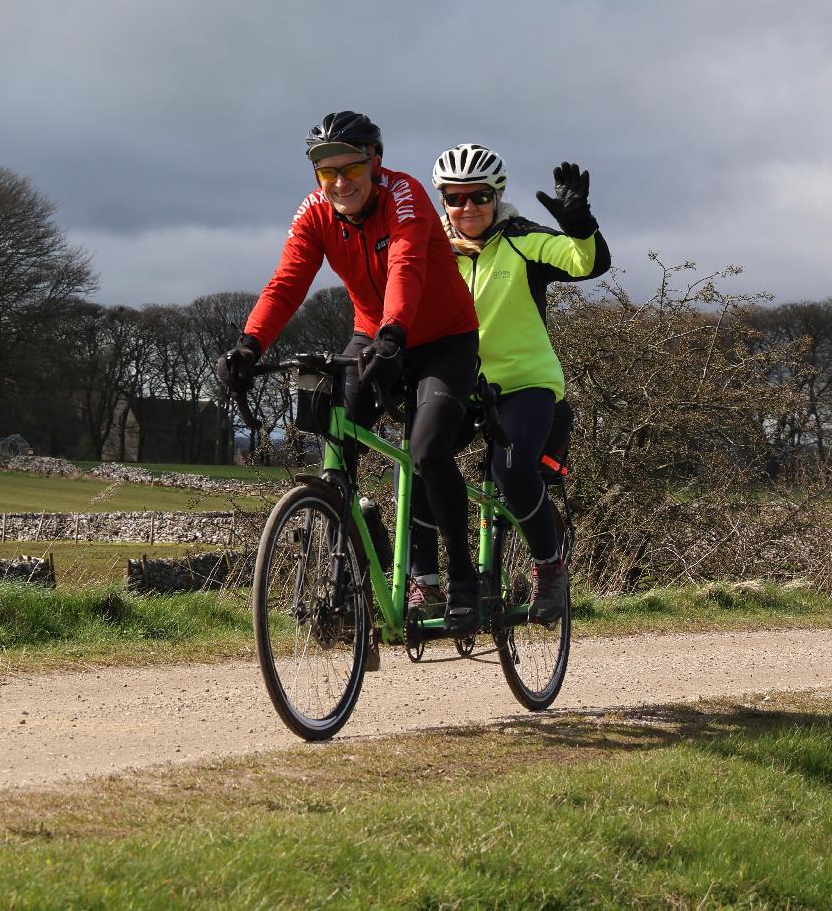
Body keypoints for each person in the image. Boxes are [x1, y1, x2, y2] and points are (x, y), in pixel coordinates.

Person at [217, 111, 485, 632]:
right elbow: (288, 281)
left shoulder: (404, 195)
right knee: (336, 443)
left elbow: (406, 266)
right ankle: (353, 573)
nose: (340, 183)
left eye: (352, 170)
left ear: (375, 163)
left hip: (441, 339)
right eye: (327, 172)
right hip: (374, 334)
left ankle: (463, 582)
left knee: (428, 451)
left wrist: (394, 335)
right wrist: (249, 345)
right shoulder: (317, 211)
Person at [430, 143, 611, 625]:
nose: (466, 207)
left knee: (513, 473)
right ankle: (430, 582)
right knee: (423, 462)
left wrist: (579, 224)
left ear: (498, 195)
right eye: (454, 198)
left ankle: (549, 568)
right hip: (457, 384)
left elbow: (585, 263)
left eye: (479, 196)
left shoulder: (521, 239)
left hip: (524, 384)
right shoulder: (431, 249)